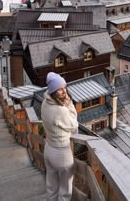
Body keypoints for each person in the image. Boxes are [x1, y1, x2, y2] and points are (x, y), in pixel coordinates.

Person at [41, 72, 78, 201]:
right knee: (65, 192)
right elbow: (74, 126)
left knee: (51, 187)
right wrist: (70, 106)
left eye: (64, 87)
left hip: (48, 150)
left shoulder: (45, 103)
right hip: (61, 154)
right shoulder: (60, 111)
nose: (64, 92)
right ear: (52, 92)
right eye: (60, 89)